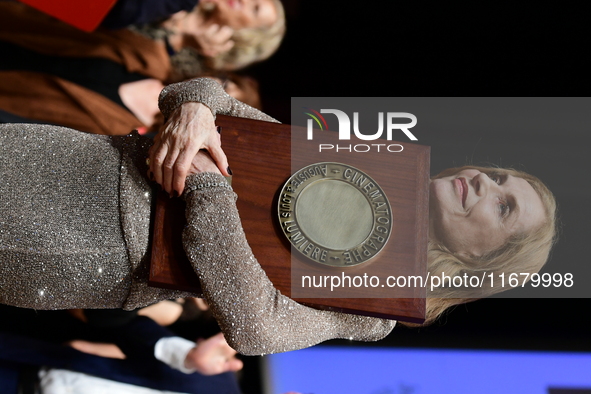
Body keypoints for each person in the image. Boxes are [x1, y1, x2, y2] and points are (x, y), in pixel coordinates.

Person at [0, 78, 557, 355]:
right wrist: (195, 109)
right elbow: (214, 100)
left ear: (483, 260)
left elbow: (258, 326)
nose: (487, 184)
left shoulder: (378, 308)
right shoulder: (362, 160)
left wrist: (209, 187)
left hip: (73, 245)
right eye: (501, 178)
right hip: (57, 154)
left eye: (503, 206)